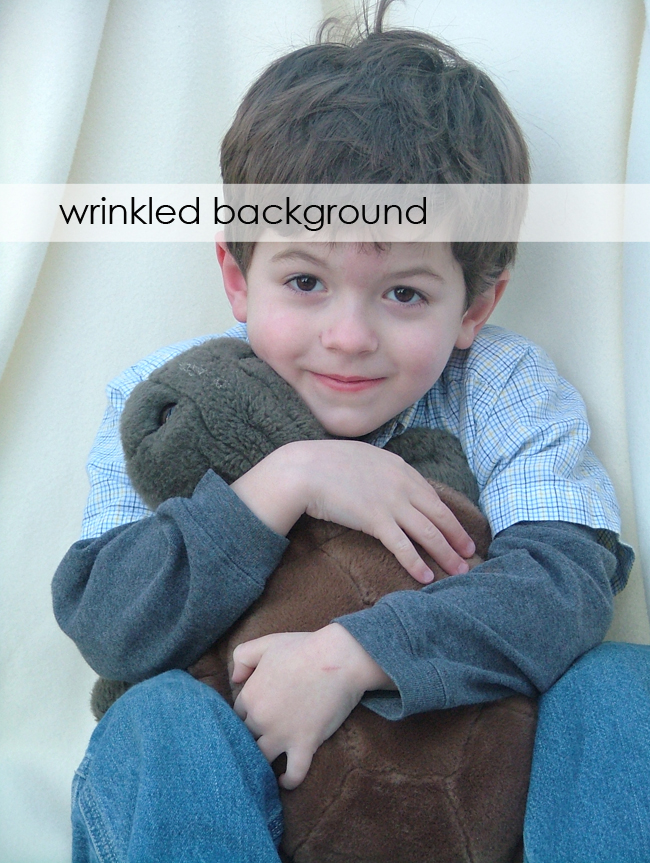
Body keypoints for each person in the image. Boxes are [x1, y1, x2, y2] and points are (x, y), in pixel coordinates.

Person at [52, 3, 634, 861]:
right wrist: (286, 483)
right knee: (156, 720)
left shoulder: (500, 386)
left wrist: (357, 652)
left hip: (462, 801)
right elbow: (110, 623)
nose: (350, 336)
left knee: (621, 686)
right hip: (235, 808)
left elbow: (566, 589)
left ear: (475, 305)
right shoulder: (165, 396)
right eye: (305, 279)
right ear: (237, 275)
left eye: (403, 292)